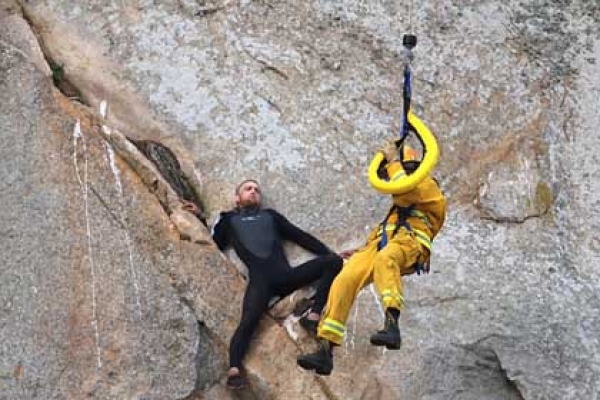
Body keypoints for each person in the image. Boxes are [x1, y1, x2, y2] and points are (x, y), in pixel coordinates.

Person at [296, 139, 447, 375]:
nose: (399, 174)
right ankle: (326, 348)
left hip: (410, 244)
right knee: (345, 278)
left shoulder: (429, 189)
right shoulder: (397, 208)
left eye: (405, 169)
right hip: (381, 244)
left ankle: (392, 325)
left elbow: (403, 194)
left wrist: (393, 163)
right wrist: (361, 249)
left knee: (386, 260)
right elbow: (389, 219)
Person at [206, 179, 343, 389]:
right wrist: (196, 215)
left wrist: (329, 252)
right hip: (261, 284)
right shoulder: (228, 220)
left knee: (334, 262)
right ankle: (234, 370)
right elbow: (213, 243)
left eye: (256, 190)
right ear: (237, 198)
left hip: (287, 277)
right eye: (248, 189)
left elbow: (300, 237)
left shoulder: (271, 216)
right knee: (248, 321)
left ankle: (313, 315)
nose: (253, 192)